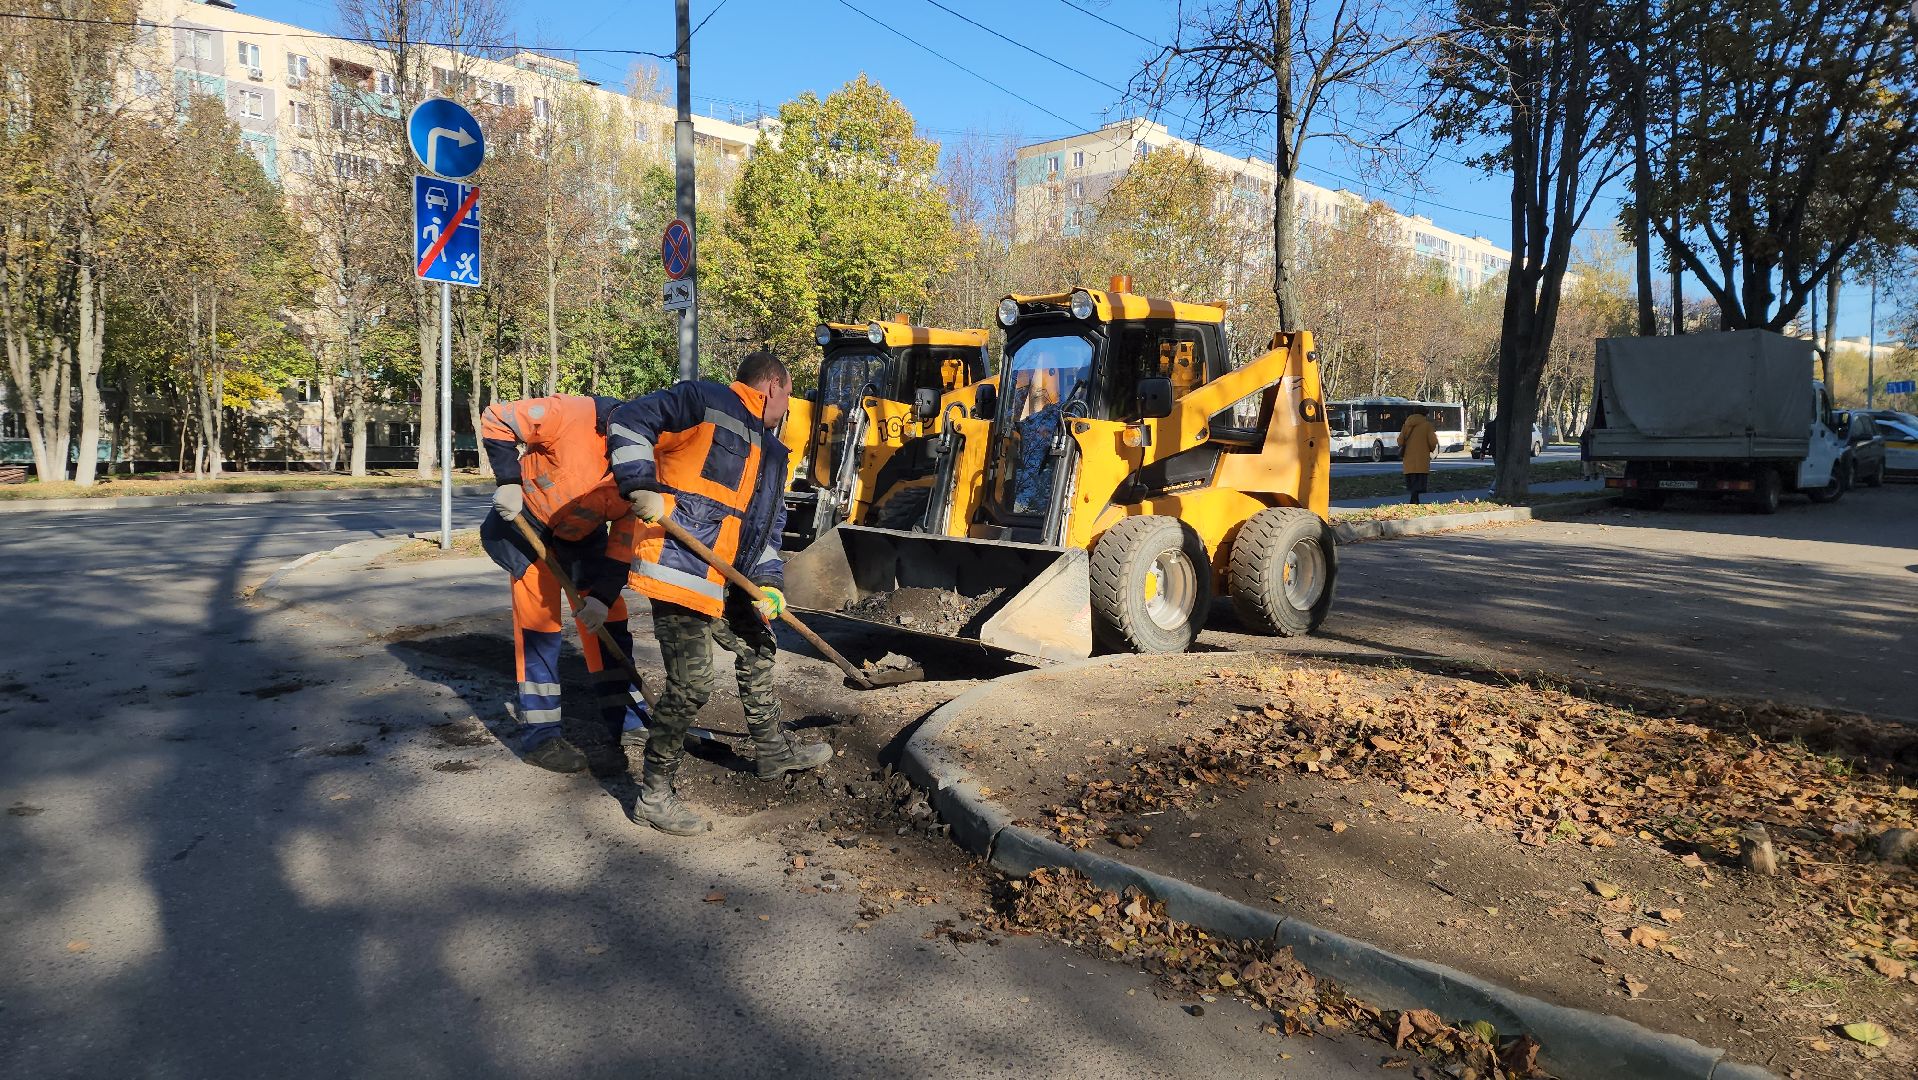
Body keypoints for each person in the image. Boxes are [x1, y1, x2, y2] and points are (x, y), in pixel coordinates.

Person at [608, 351, 833, 835]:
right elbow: (627, 419)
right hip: (682, 569)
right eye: (789, 394)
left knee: (759, 646)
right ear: (772, 387)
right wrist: (639, 484)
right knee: (692, 685)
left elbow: (769, 528)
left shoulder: (772, 452)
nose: (789, 405)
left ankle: (772, 752)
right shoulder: (704, 401)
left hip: (731, 577)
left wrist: (769, 584)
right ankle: (653, 795)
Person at [479, 394, 651, 774]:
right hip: (526, 528)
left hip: (581, 538)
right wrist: (508, 481)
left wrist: (602, 598)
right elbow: (497, 418)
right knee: (539, 630)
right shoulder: (572, 414)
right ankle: (540, 737)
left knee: (609, 620)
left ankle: (628, 720)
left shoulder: (642, 471)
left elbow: (622, 544)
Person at [1397, 405, 1438, 504]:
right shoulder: (1427, 425)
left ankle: (1414, 499)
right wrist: (1431, 449)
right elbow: (1433, 442)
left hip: (1409, 459)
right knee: (1419, 482)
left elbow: (1400, 441)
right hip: (1422, 459)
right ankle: (1415, 499)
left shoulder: (1406, 424)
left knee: (1412, 481)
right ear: (1425, 414)